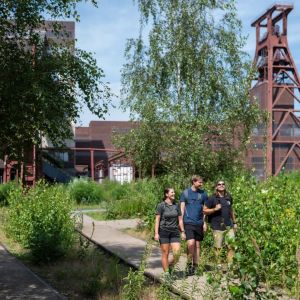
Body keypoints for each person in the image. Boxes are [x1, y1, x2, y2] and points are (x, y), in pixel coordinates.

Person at [203, 180, 237, 264]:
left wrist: (235, 223)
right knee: (218, 247)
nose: (221, 185)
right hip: (217, 226)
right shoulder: (212, 198)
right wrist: (215, 209)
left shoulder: (228, 197)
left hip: (229, 226)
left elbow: (231, 210)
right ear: (216, 187)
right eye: (219, 184)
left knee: (231, 246)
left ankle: (230, 265)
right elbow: (204, 210)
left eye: (223, 184)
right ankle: (218, 265)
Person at [180, 175, 208, 275]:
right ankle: (188, 265)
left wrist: (204, 222)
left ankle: (195, 266)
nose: (201, 184)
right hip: (188, 222)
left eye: (201, 182)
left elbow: (205, 210)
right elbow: (182, 210)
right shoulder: (185, 193)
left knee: (197, 246)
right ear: (194, 182)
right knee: (190, 244)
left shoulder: (203, 194)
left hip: (199, 223)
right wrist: (181, 225)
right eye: (200, 182)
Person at [154, 188, 186, 272]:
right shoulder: (161, 205)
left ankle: (169, 265)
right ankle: (166, 274)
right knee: (165, 252)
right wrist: (156, 233)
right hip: (163, 231)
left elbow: (180, 220)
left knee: (177, 253)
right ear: (166, 194)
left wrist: (182, 231)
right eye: (172, 192)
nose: (174, 193)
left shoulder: (176, 205)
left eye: (174, 192)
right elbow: (157, 219)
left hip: (174, 231)